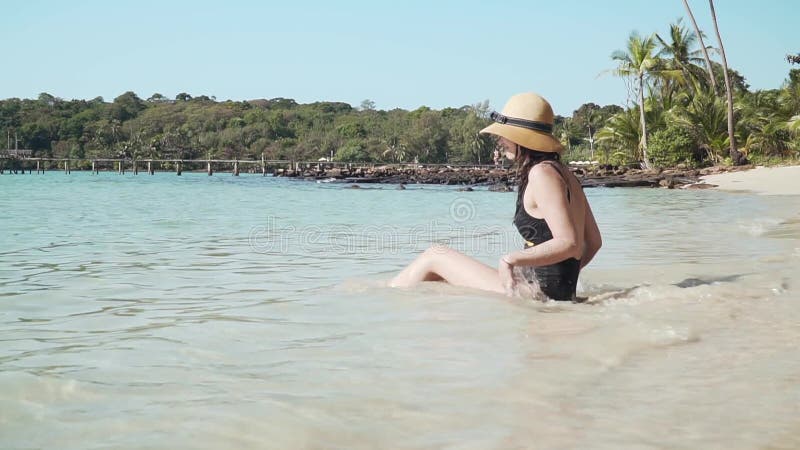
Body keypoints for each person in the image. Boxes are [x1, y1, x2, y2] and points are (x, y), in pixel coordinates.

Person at [389, 92, 602, 301]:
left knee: (434, 256)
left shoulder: (541, 174)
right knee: (437, 282)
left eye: (504, 134)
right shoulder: (565, 174)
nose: (500, 140)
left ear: (523, 137)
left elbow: (570, 243)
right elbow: (593, 242)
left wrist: (511, 261)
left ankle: (384, 298)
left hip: (535, 294)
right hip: (540, 290)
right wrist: (562, 281)